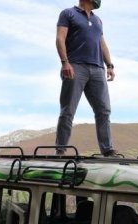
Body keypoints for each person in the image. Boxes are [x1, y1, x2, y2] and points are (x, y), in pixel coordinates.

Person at [55, 0, 117, 157]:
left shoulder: (97, 20)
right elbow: (60, 38)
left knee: (103, 110)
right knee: (68, 110)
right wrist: (65, 62)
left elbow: (102, 44)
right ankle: (60, 150)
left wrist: (109, 65)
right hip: (75, 66)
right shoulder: (68, 13)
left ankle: (107, 149)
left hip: (97, 69)